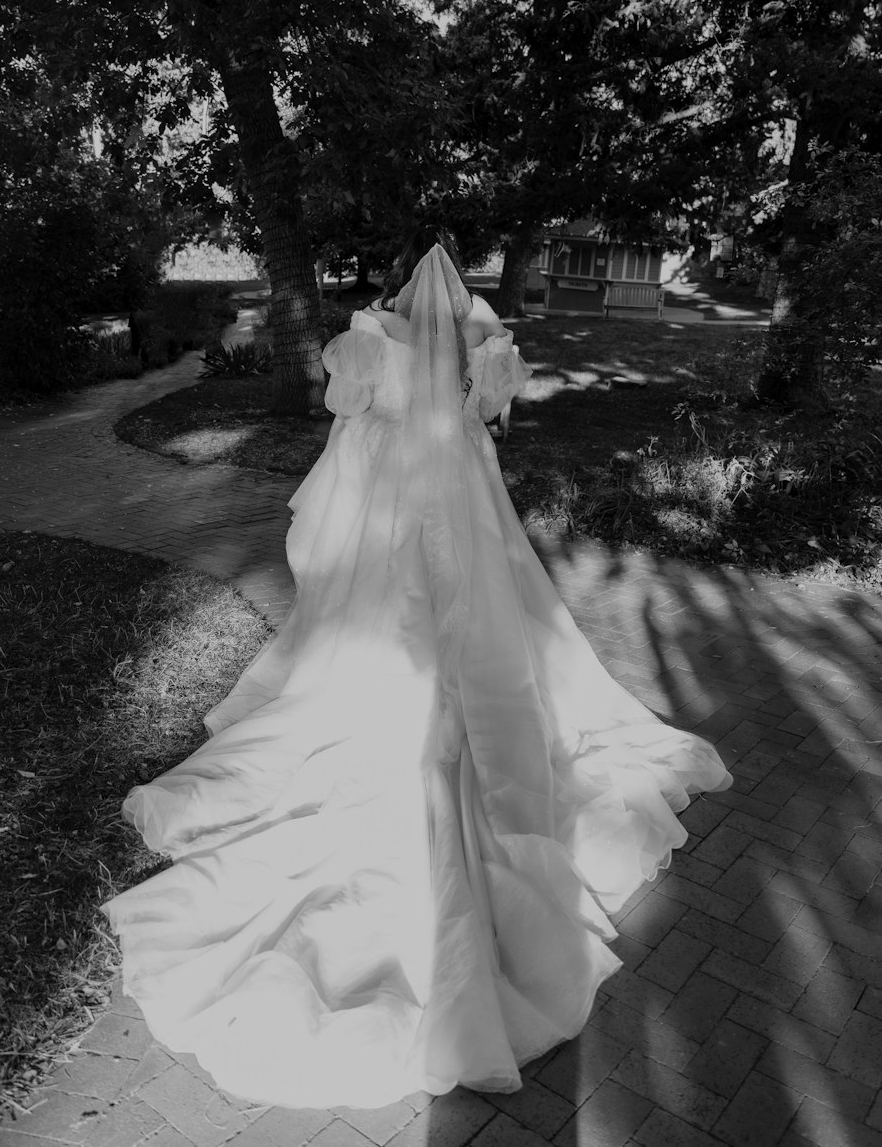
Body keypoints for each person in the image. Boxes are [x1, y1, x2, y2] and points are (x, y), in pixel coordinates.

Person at [103, 226, 731, 1109]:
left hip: (395, 507)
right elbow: (490, 420)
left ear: (404, 292)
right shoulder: (485, 342)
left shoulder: (373, 338)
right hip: (460, 508)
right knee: (477, 619)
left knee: (383, 623)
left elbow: (348, 413)